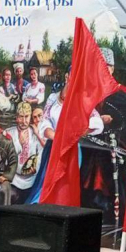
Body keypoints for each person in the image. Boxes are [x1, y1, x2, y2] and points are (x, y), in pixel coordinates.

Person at [80, 47, 126, 227]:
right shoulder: (89, 91)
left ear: (111, 68)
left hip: (113, 150)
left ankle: (118, 228)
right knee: (86, 188)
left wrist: (111, 124)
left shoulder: (124, 92)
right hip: (91, 149)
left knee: (115, 189)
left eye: (105, 66)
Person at [26, 70, 105, 204]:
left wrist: (76, 132)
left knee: (66, 189)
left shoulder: (82, 100)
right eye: (73, 76)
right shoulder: (53, 98)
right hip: (53, 148)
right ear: (67, 76)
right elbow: (44, 123)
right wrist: (57, 137)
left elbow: (98, 123)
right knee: (46, 185)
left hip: (72, 150)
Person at [4, 102, 43, 204]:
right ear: (16, 118)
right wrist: (19, 143)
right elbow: (5, 158)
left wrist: (35, 168)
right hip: (14, 179)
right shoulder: (8, 133)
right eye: (21, 117)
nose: (24, 121)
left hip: (32, 180)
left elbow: (41, 154)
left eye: (26, 117)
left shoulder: (35, 134)